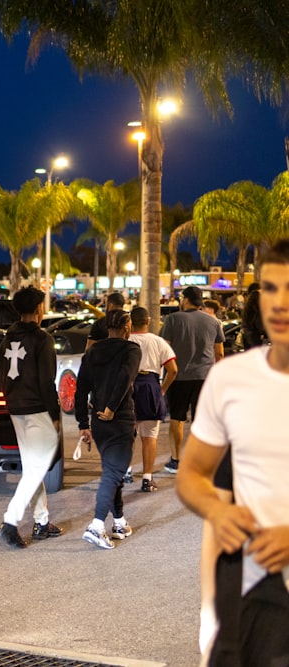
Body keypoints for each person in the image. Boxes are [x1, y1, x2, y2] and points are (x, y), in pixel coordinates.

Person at [176, 239, 289, 666]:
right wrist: (217, 511)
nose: (279, 303)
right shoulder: (230, 380)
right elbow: (193, 474)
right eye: (271, 288)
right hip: (252, 596)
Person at [0, 286, 62, 549]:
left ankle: (42, 521)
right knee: (35, 469)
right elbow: (47, 382)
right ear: (38, 310)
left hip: (17, 409)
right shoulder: (42, 340)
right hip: (37, 409)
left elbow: (2, 377)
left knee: (34, 467)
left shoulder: (5, 340)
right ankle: (10, 523)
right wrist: (54, 414)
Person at [75, 309, 141, 549]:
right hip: (119, 418)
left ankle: (120, 523)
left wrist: (83, 423)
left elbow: (81, 389)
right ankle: (96, 525)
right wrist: (112, 407)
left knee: (113, 473)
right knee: (113, 475)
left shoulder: (93, 352)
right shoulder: (131, 349)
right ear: (126, 327)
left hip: (99, 423)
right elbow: (126, 377)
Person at [159, 285, 225, 474]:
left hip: (178, 377)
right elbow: (219, 353)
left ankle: (175, 460)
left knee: (177, 418)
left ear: (186, 299)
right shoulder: (213, 322)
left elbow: (165, 349)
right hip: (204, 377)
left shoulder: (172, 319)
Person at [127, 306, 178, 492]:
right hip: (150, 385)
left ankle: (126, 471)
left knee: (128, 434)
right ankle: (147, 478)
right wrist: (162, 390)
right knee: (149, 436)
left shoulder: (126, 340)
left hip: (129, 387)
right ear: (147, 321)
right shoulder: (159, 342)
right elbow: (173, 370)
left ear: (130, 322)